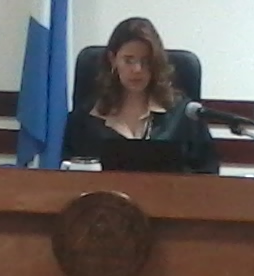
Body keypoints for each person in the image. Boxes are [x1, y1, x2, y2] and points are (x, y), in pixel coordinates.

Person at [61, 17, 219, 174]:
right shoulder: (86, 117)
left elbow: (208, 173)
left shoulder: (182, 115)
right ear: (113, 60)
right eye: (128, 60)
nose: (137, 69)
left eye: (146, 61)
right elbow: (68, 172)